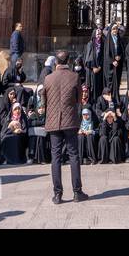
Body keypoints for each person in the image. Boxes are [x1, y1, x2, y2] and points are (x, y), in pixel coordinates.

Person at [42, 49, 89, 204]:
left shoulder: (48, 79)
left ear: (56, 61)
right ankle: (77, 192)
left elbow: (44, 101)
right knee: (73, 155)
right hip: (70, 121)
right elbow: (78, 100)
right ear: (68, 62)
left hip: (54, 122)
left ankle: (57, 194)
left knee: (55, 157)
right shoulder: (75, 77)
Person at [104, 24, 126, 97]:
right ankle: (110, 98)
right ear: (110, 30)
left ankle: (116, 97)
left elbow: (122, 50)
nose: (115, 30)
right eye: (113, 29)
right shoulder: (108, 39)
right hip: (110, 65)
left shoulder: (119, 39)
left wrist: (119, 57)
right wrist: (112, 61)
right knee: (110, 82)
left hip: (118, 64)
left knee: (117, 81)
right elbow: (107, 53)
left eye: (116, 29)